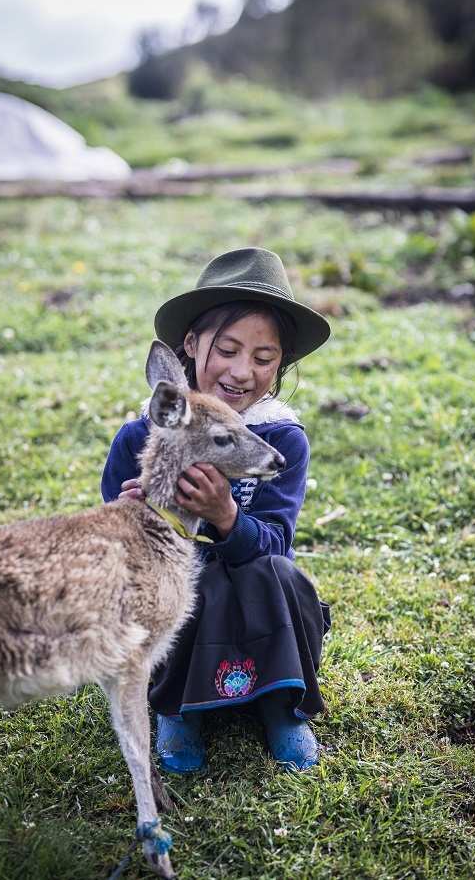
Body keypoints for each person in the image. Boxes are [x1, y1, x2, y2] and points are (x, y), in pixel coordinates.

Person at [101, 247, 331, 773]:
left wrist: (226, 514)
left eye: (263, 357)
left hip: (255, 591)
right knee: (173, 584)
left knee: (279, 574)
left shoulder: (280, 440)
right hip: (177, 594)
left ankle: (282, 704)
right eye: (226, 349)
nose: (241, 370)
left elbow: (275, 538)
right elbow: (112, 530)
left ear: (281, 364)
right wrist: (135, 514)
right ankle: (174, 707)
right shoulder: (143, 433)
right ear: (191, 344)